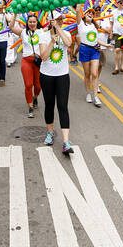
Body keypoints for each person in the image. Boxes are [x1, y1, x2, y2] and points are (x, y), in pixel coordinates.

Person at [39, 17, 74, 155]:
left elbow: (68, 43)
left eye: (60, 20)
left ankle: (66, 141)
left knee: (62, 106)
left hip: (62, 75)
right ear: (50, 21)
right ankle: (50, 132)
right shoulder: (42, 35)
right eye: (56, 20)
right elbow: (43, 56)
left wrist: (58, 30)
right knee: (49, 105)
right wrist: (52, 41)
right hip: (46, 75)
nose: (59, 22)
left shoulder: (66, 33)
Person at [11, 13, 43, 117]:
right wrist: (15, 15)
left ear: (37, 22)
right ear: (27, 23)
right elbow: (11, 27)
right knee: (29, 85)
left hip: (38, 62)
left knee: (38, 85)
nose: (32, 24)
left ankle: (35, 97)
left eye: (34, 22)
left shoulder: (42, 31)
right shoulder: (23, 32)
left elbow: (53, 30)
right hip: (27, 61)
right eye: (30, 22)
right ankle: (30, 107)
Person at [76, 4, 102, 106]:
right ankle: (88, 93)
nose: (91, 14)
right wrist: (79, 2)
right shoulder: (80, 24)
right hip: (84, 50)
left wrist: (105, 45)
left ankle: (96, 96)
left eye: (92, 13)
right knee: (87, 74)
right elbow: (78, 11)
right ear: (84, 15)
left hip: (95, 51)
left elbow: (96, 39)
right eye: (89, 12)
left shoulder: (95, 26)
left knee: (94, 74)